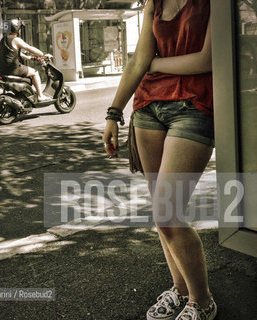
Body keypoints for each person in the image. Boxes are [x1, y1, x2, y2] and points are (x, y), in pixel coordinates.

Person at [103, 0, 217, 319]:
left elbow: (207, 59)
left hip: (194, 106)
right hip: (149, 108)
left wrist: (154, 65)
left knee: (167, 213)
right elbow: (138, 60)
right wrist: (113, 114)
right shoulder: (155, 2)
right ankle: (180, 290)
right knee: (161, 214)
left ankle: (203, 301)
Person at [0, 18, 48, 102]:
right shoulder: (16, 39)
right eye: (20, 28)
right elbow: (29, 48)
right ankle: (40, 95)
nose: (20, 30)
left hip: (3, 70)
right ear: (17, 29)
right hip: (14, 69)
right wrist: (43, 55)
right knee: (35, 72)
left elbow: (13, 53)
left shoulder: (3, 40)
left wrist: (28, 57)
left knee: (29, 72)